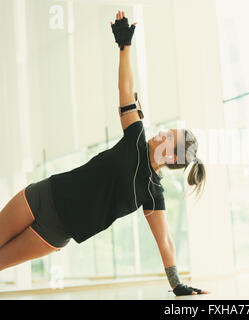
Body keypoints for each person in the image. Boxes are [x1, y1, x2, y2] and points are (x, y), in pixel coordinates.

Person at [0, 10, 209, 296]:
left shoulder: (152, 191)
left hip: (55, 232)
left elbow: (165, 242)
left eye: (168, 138)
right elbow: (126, 89)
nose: (160, 133)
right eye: (166, 131)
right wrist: (125, 46)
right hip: (42, 195)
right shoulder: (135, 138)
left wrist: (176, 284)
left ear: (172, 158)